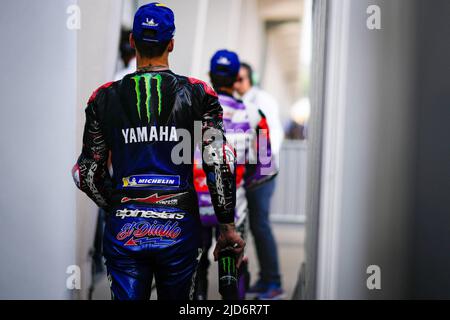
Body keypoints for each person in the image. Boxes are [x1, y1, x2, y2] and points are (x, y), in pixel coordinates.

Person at [72, 2, 244, 300]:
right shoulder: (199, 93)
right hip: (179, 230)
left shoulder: (102, 98)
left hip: (125, 230)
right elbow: (217, 161)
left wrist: (117, 205)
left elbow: (86, 174)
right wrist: (227, 227)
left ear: (132, 41)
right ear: (172, 43)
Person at [193, 50, 272, 300]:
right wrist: (240, 181)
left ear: (210, 76)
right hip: (233, 207)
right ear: (237, 77)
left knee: (196, 267)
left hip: (195, 205)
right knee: (232, 267)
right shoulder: (254, 115)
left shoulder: (191, 110)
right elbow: (264, 166)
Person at [234, 62, 284, 299]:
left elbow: (271, 136)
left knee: (261, 227)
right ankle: (266, 280)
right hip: (252, 171)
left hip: (262, 171)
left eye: (241, 79)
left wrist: (259, 166)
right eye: (234, 79)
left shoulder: (262, 100)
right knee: (256, 227)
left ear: (249, 79)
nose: (237, 83)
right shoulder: (242, 100)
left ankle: (273, 282)